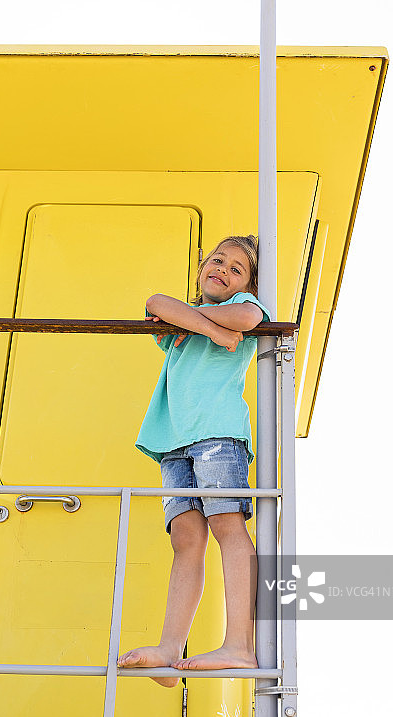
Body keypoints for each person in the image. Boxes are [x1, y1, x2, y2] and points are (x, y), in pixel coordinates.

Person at [117, 235, 270, 687]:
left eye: (237, 268)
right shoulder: (180, 321)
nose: (223, 268)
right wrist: (213, 330)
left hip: (217, 435)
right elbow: (155, 300)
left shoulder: (241, 307)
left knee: (228, 526)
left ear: (249, 285)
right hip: (174, 441)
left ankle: (240, 644)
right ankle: (169, 647)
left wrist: (205, 322)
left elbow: (245, 317)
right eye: (217, 260)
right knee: (186, 540)